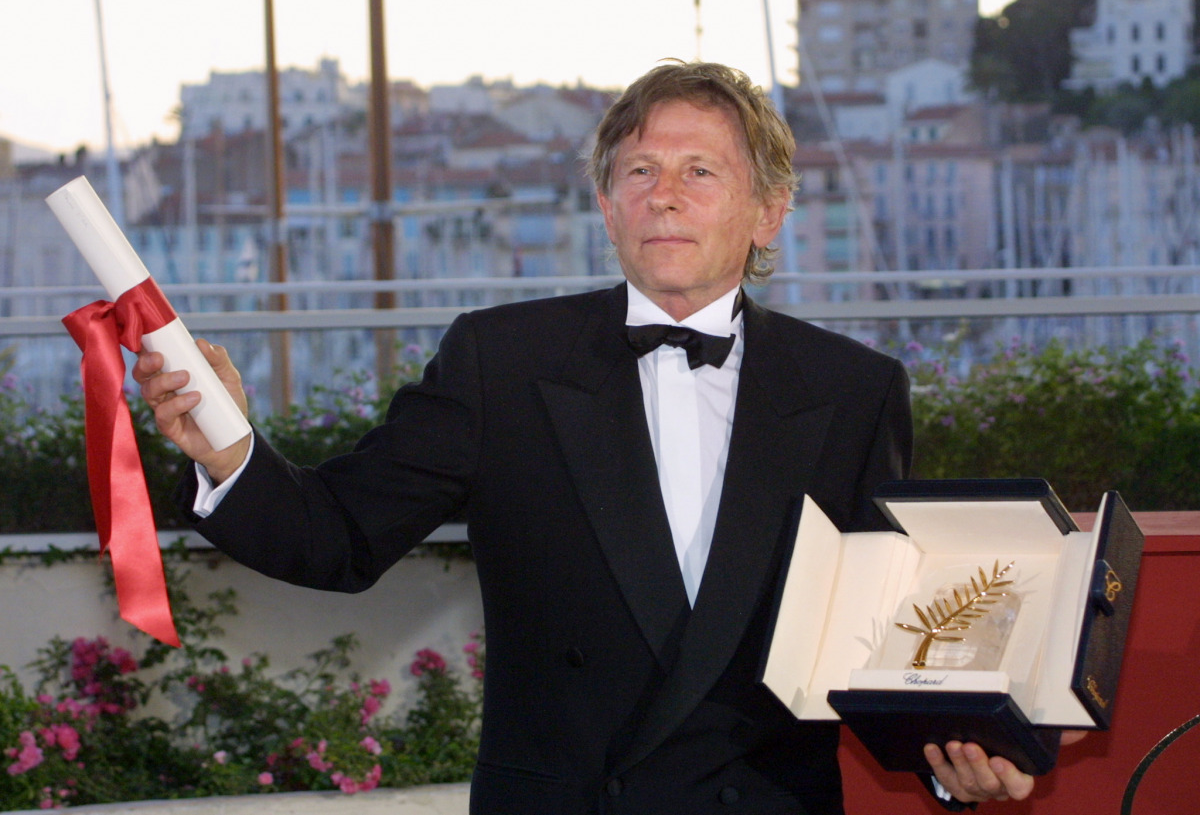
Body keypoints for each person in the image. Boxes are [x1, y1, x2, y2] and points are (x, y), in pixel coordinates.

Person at [137, 61, 1058, 813]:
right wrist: (225, 448)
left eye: (701, 171)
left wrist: (958, 757)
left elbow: (876, 634)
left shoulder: (854, 389)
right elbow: (337, 534)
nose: (666, 196)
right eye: (640, 172)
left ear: (768, 210)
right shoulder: (501, 360)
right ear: (608, 204)